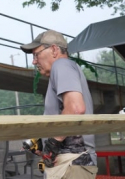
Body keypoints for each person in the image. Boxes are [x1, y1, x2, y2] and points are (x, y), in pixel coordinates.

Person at [20, 30, 98, 178]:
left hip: (71, 165)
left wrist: (53, 142)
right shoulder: (63, 70)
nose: (34, 61)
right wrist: (45, 140)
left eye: (36, 54)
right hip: (69, 165)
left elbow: (75, 108)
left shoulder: (61, 64)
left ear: (54, 50)